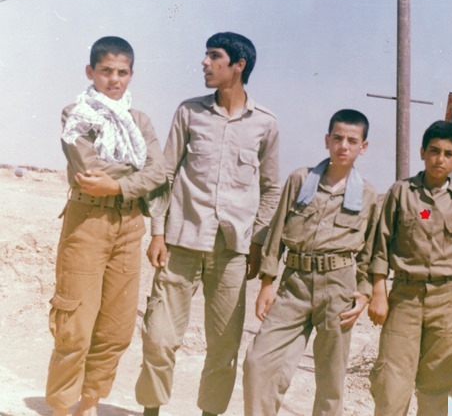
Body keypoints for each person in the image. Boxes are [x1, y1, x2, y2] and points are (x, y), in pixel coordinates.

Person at [135, 32, 280, 416]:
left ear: (238, 65)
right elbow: (165, 175)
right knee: (158, 337)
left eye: (214, 56)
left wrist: (256, 242)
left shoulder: (265, 124)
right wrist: (158, 232)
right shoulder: (189, 112)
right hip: (181, 242)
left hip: (232, 252)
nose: (204, 63)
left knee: (224, 348)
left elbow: (271, 188)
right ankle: (151, 410)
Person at [46, 36, 166, 416]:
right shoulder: (76, 114)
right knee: (75, 326)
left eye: (122, 72)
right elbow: (88, 170)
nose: (114, 80)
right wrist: (137, 171)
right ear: (90, 72)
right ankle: (61, 407)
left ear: (131, 74)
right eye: (106, 71)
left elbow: (160, 172)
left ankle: (89, 404)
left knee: (116, 327)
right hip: (88, 223)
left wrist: (118, 185)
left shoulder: (139, 121)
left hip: (129, 225)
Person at [242, 109, 379, 416]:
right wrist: (267, 283)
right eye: (338, 138)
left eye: (352, 141)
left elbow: (370, 252)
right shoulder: (300, 180)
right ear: (327, 140)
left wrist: (364, 293)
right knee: (258, 361)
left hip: (339, 287)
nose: (343, 146)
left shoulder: (367, 195)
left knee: (331, 379)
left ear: (363, 147)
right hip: (295, 284)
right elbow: (277, 231)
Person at [367, 120, 452, 416]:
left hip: (447, 301)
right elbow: (380, 244)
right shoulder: (401, 192)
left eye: (448, 153)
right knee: (391, 383)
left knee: (438, 385)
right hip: (405, 296)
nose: (439, 159)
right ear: (422, 152)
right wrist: (378, 291)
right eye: (434, 151)